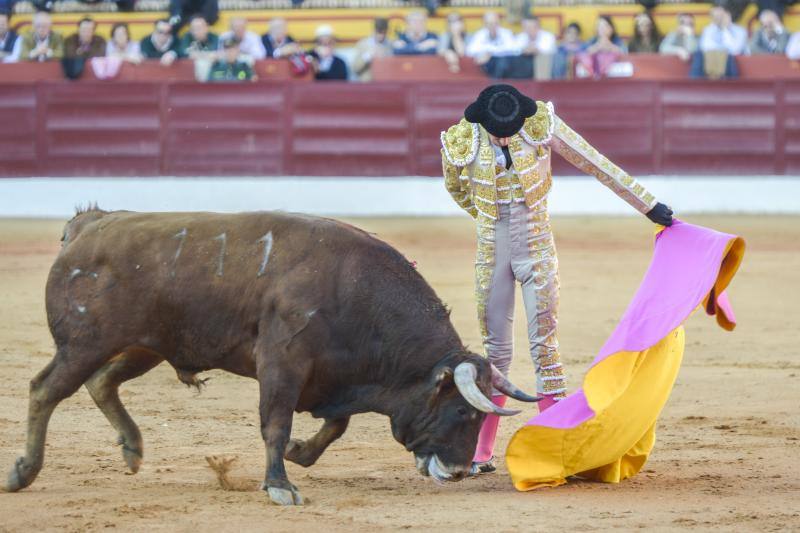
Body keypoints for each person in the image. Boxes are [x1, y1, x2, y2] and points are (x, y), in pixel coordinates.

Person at [440, 84, 673, 475]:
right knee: (495, 352)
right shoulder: (461, 139)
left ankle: (558, 443)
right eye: (498, 131)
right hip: (491, 250)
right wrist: (486, 219)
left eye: (511, 129)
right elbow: (455, 188)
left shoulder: (540, 123)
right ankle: (482, 451)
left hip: (537, 245)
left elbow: (594, 162)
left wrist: (649, 206)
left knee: (545, 345)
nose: (505, 136)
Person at [691, 3, 748, 79]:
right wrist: (721, 50)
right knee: (699, 55)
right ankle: (695, 86)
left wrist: (725, 30)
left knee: (727, 57)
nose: (717, 18)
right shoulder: (708, 29)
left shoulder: (740, 30)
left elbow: (735, 50)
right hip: (711, 60)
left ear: (728, 15)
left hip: (731, 62)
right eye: (714, 16)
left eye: (720, 16)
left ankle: (730, 88)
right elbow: (705, 47)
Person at [466, 11, 519, 79]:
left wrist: (490, 52)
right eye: (490, 23)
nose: (493, 26)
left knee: (502, 61)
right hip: (487, 65)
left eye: (495, 23)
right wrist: (487, 53)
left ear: (499, 23)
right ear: (485, 24)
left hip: (506, 65)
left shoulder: (506, 33)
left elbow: (515, 49)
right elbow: (469, 51)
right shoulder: (480, 34)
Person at [514, 15, 556, 79]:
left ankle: (542, 85)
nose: (528, 29)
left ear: (538, 27)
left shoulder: (548, 36)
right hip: (524, 65)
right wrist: (526, 50)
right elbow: (515, 50)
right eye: (526, 27)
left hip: (545, 65)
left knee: (542, 57)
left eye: (531, 27)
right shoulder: (520, 37)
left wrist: (531, 50)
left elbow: (546, 50)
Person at [352, 17, 392, 82]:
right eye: (379, 32)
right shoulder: (363, 44)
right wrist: (368, 56)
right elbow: (355, 68)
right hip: (368, 85)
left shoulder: (390, 44)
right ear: (374, 30)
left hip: (385, 83)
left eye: (384, 32)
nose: (381, 35)